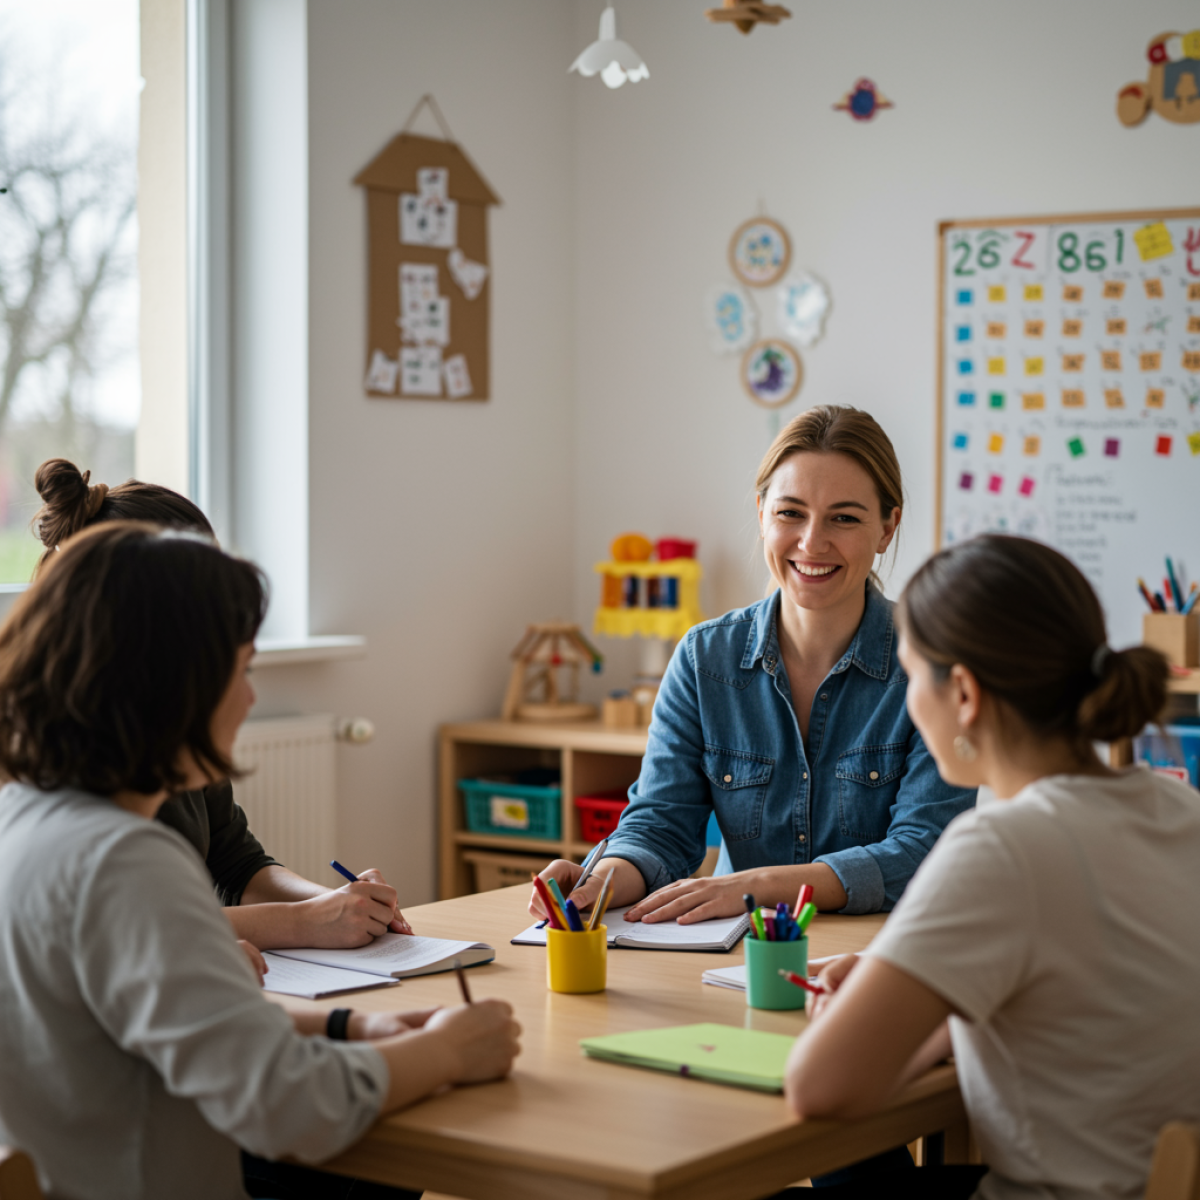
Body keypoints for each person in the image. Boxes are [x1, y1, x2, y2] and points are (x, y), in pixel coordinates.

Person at [0, 522, 521, 1200]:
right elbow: (290, 1110)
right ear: (171, 685)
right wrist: (449, 1049)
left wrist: (353, 1025)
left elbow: (186, 1025)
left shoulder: (24, 818)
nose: (250, 698)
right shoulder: (126, 862)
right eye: (242, 671)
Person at [781, 534, 1200, 1200]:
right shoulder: (1180, 809)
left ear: (966, 696)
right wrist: (923, 986)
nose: (912, 703)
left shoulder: (1002, 845)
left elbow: (819, 1087)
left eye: (913, 676)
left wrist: (860, 1011)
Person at [532, 405, 974, 925]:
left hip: (880, 957)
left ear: (886, 528)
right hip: (737, 963)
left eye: (845, 518)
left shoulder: (936, 669)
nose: (812, 542)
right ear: (762, 512)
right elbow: (660, 825)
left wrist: (761, 885)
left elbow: (923, 853)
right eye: (791, 513)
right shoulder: (703, 659)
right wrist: (605, 876)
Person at [30, 456, 407, 949]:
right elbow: (120, 930)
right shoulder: (48, 752)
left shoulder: (175, 717)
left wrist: (341, 905)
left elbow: (235, 864)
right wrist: (308, 922)